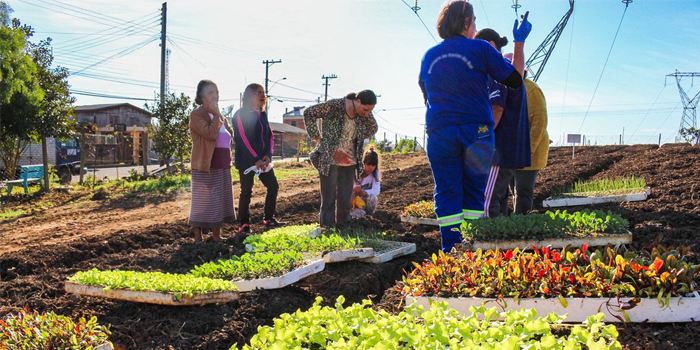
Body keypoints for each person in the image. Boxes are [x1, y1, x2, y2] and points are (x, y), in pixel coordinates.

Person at [418, 0, 531, 252]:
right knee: (473, 193)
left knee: (447, 191)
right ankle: (470, 248)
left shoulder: (429, 55)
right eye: (475, 21)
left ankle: (450, 250)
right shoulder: (481, 49)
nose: (476, 26)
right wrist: (519, 43)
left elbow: (425, 91)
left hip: (440, 132)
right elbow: (515, 79)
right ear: (467, 22)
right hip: (476, 132)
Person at [475, 29, 531, 218]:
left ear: (489, 46)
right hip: (510, 149)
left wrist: (481, 136)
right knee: (499, 200)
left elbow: (496, 110)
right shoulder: (508, 70)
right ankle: (498, 245)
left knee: (486, 202)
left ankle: (485, 245)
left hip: (500, 150)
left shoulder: (498, 73)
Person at [303, 90, 378, 227]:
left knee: (345, 200)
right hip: (329, 160)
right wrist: (317, 137)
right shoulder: (335, 106)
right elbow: (309, 112)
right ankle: (327, 229)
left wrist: (358, 136)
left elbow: (373, 127)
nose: (367, 113)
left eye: (370, 111)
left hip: (350, 162)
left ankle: (343, 228)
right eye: (365, 109)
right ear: (358, 101)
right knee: (328, 200)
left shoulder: (363, 114)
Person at [231, 83, 284, 234]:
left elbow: (270, 137)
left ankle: (269, 219)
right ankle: (244, 224)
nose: (262, 95)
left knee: (273, 186)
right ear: (249, 96)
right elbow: (241, 139)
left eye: (263, 92)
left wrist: (268, 155)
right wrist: (255, 159)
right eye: (258, 93)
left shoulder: (263, 115)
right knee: (246, 192)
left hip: (263, 161)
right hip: (247, 162)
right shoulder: (240, 114)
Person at [188, 79, 236, 243]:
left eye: (216, 92)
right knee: (202, 201)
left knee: (219, 201)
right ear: (201, 97)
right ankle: (198, 237)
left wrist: (219, 117)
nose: (215, 95)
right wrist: (216, 115)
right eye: (210, 92)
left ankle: (216, 235)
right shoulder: (197, 115)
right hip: (206, 165)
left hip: (222, 164)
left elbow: (230, 134)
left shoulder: (220, 115)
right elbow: (209, 133)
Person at [513, 76, 549, 214]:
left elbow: (539, 121)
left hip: (528, 150)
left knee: (522, 190)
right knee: (512, 189)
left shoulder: (531, 89)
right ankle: (511, 225)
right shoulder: (504, 87)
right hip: (511, 149)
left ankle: (521, 225)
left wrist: (530, 148)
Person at [350, 145, 381, 218]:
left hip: (364, 200)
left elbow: (377, 190)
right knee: (360, 213)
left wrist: (365, 193)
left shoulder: (374, 174)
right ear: (363, 163)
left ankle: (370, 216)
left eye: (373, 165)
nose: (371, 167)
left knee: (373, 198)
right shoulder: (354, 173)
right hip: (353, 201)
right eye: (368, 164)